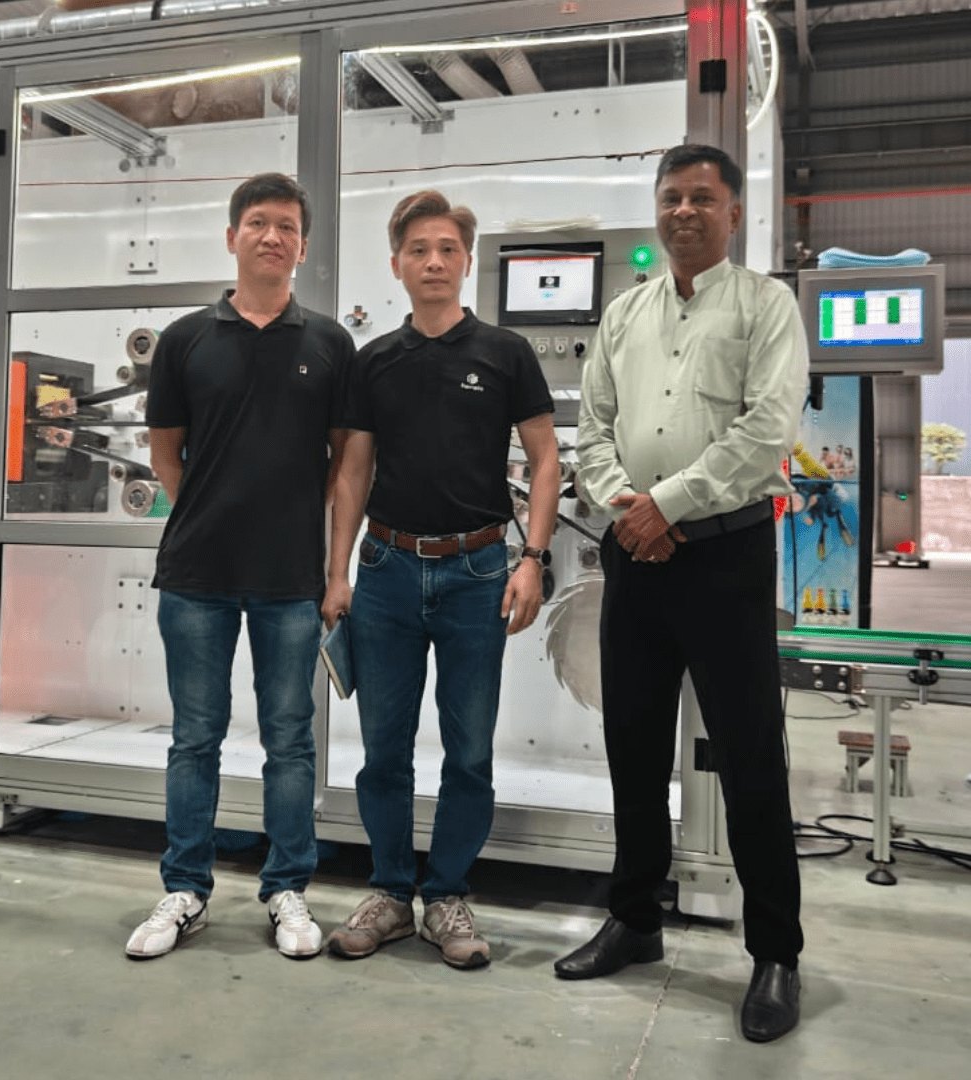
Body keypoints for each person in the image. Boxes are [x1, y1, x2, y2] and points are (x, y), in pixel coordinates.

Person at [557, 145, 808, 1043]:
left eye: (703, 198)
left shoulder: (766, 307)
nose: (684, 212)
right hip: (634, 554)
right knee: (632, 743)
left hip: (726, 557)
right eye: (671, 198)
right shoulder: (626, 313)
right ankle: (634, 919)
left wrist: (667, 504)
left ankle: (775, 952)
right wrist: (625, 505)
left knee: (750, 755)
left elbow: (767, 429)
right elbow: (592, 426)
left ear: (734, 213)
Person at [322, 190, 560, 969]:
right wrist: (337, 573)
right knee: (383, 750)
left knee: (469, 751)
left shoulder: (505, 353)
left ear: (467, 260)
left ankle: (447, 895)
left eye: (447, 249)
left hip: (477, 571)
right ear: (396, 263)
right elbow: (352, 472)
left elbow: (546, 459)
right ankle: (391, 893)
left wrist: (533, 558)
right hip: (386, 571)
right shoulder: (374, 362)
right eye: (419, 249)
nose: (433, 261)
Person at [125, 173, 354, 961]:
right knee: (195, 737)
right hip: (197, 574)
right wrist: (210, 507)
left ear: (303, 245)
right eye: (258, 222)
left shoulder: (329, 344)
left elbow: (342, 463)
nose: (272, 236)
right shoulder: (186, 339)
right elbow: (165, 452)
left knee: (290, 740)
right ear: (232, 237)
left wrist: (330, 565)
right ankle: (185, 888)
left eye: (287, 226)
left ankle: (286, 888)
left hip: (290, 577)